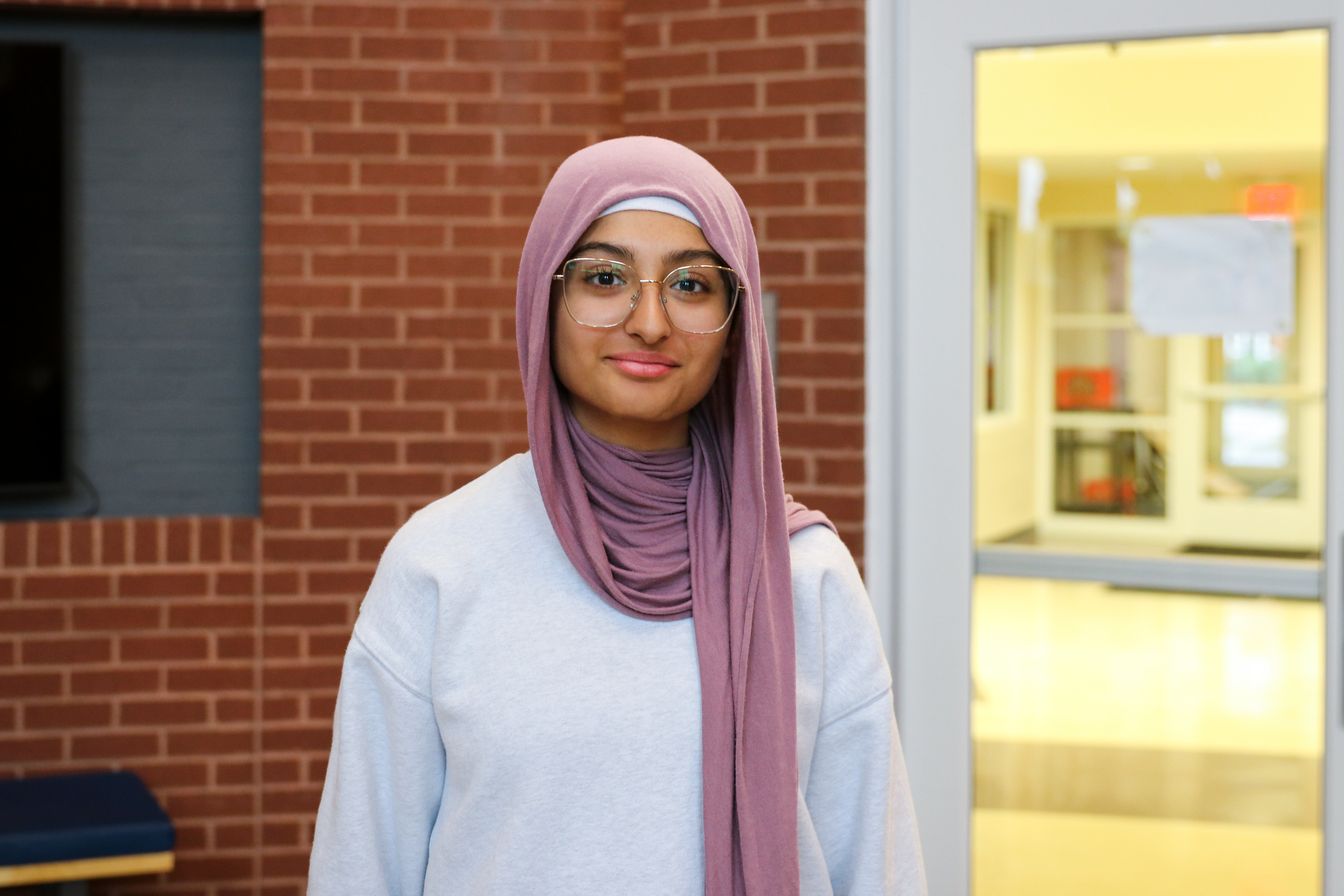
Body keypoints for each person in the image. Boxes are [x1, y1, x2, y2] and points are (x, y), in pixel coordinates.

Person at [307, 136, 926, 896]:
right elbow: (362, 866)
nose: (649, 321)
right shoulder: (442, 561)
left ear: (735, 328)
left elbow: (877, 867)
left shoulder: (804, 575)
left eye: (692, 286)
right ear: (543, 296)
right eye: (605, 277)